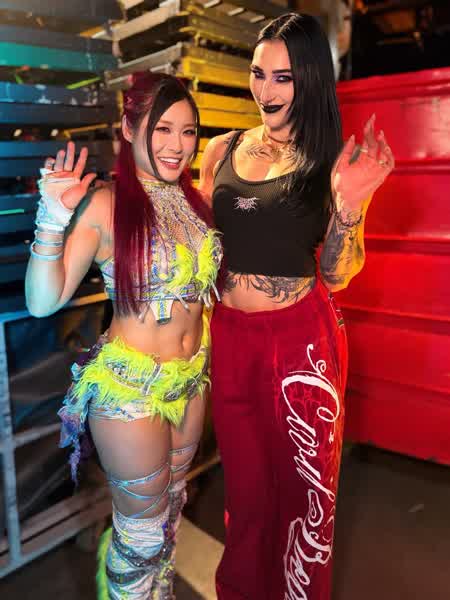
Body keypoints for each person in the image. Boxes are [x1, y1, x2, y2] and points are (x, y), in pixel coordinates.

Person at [199, 12, 394, 600]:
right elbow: (201, 250)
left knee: (306, 502)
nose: (265, 90)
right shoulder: (221, 150)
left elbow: (337, 273)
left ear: (309, 80)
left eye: (282, 77)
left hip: (301, 344)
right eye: (258, 73)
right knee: (246, 498)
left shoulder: (331, 160)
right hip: (230, 337)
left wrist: (351, 205)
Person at [25, 72, 222, 600]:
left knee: (171, 513)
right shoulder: (105, 204)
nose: (177, 145)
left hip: (190, 382)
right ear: (130, 128)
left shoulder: (193, 204)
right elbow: (43, 301)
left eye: (187, 131)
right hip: (130, 392)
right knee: (140, 537)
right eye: (162, 129)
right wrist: (52, 220)